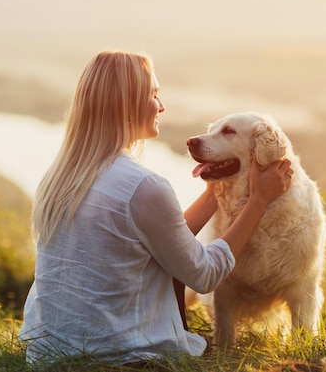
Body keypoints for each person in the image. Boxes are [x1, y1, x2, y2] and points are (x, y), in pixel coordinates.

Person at [19, 50, 293, 365]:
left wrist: (214, 189)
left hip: (48, 356)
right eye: (153, 95)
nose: (161, 106)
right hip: (117, 356)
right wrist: (257, 202)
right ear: (127, 103)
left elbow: (165, 239)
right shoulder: (143, 186)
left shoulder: (60, 177)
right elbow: (203, 275)